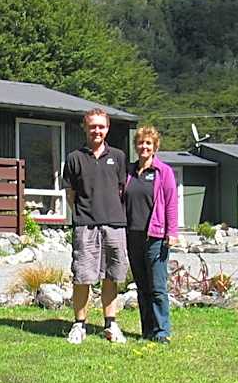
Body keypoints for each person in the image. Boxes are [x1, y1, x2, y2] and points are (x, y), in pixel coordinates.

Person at [63, 108, 129, 344]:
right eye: (93, 126)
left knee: (112, 275)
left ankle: (110, 324)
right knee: (82, 276)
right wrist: (83, 214)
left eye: (101, 126)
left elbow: (121, 190)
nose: (97, 131)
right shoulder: (74, 158)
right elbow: (70, 194)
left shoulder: (119, 157)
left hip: (114, 224)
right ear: (85, 128)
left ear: (107, 128)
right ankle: (79, 325)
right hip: (86, 225)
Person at [124, 126, 178, 344]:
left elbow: (172, 203)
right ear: (136, 146)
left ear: (155, 146)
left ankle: (162, 331)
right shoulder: (128, 171)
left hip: (155, 237)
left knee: (157, 287)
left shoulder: (163, 172)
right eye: (140, 143)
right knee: (142, 287)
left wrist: (172, 232)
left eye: (148, 143)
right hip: (132, 236)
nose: (144, 147)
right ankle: (146, 330)